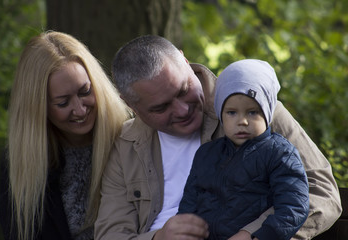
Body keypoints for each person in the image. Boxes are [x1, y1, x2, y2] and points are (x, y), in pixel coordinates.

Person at [94, 35, 342, 240]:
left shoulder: (256, 113)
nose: (182, 110)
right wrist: (159, 238)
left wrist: (254, 234)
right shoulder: (127, 144)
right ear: (131, 106)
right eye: (161, 108)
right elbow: (111, 233)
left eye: (183, 90)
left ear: (184, 60)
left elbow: (322, 192)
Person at [0, 31, 130, 240]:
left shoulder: (130, 139)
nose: (79, 110)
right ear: (38, 109)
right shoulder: (22, 165)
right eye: (63, 103)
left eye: (85, 91)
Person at [178, 59, 310, 240]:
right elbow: (190, 202)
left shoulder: (280, 154)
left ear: (268, 112)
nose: (242, 121)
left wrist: (260, 236)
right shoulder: (206, 154)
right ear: (220, 114)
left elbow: (293, 206)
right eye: (232, 112)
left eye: (252, 112)